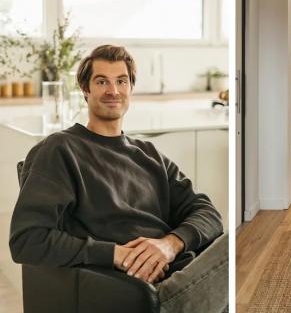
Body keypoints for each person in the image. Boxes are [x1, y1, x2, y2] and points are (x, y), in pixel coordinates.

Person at [9, 45, 228, 312]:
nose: (113, 91)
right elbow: (27, 240)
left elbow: (208, 213)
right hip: (151, 292)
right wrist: (116, 254)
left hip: (188, 270)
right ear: (85, 90)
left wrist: (170, 245)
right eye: (102, 81)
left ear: (131, 89)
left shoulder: (148, 154)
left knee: (239, 238)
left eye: (121, 81)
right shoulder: (60, 149)